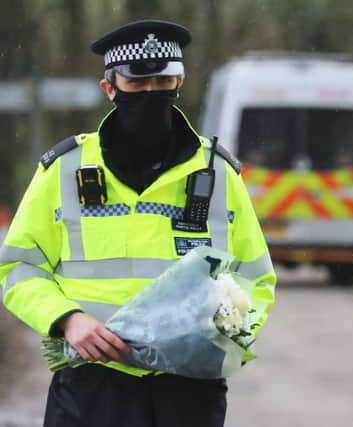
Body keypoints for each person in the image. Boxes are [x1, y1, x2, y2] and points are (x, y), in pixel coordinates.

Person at [0, 19, 276, 427]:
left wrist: (224, 336)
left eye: (163, 83)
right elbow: (18, 268)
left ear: (180, 82)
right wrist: (66, 319)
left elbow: (255, 277)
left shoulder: (217, 174)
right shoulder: (64, 170)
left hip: (189, 391)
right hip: (92, 385)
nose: (151, 94)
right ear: (108, 88)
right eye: (136, 84)